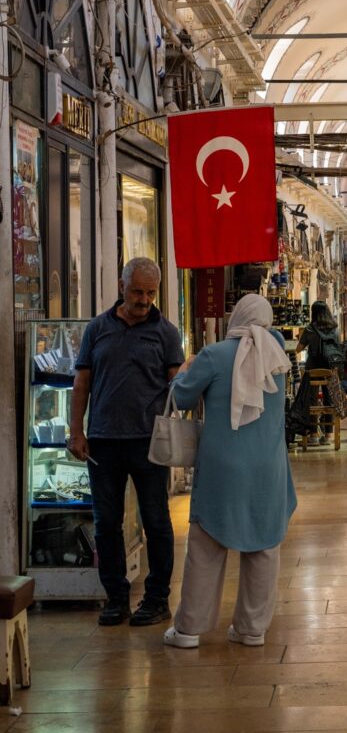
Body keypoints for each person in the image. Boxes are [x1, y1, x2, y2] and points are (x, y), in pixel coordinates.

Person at [164, 294, 297, 649]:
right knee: (264, 546)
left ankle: (189, 630)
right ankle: (252, 629)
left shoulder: (215, 355)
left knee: (207, 545)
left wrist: (185, 372)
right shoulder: (277, 353)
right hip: (268, 466)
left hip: (222, 466)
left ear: (235, 316)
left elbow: (181, 398)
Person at [69, 257, 184, 626]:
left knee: (156, 521)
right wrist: (76, 431)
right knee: (107, 523)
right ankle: (115, 598)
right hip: (103, 441)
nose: (144, 299)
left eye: (150, 292)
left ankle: (156, 599)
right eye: (137, 291)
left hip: (149, 443)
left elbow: (177, 386)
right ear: (121, 287)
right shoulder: (98, 329)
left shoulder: (165, 332)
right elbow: (82, 383)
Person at [297, 301, 344, 371]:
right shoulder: (335, 328)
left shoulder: (310, 329)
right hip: (333, 365)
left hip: (314, 367)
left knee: (305, 380)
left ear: (313, 313)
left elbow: (298, 349)